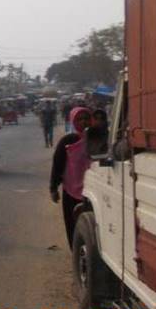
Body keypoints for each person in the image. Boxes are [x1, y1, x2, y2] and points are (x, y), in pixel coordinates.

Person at [50, 107, 93, 250]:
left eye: (86, 118)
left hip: (94, 189)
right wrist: (53, 188)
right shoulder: (67, 141)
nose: (84, 122)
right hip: (71, 190)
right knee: (73, 223)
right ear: (73, 121)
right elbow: (57, 164)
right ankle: (76, 251)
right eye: (79, 119)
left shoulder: (97, 138)